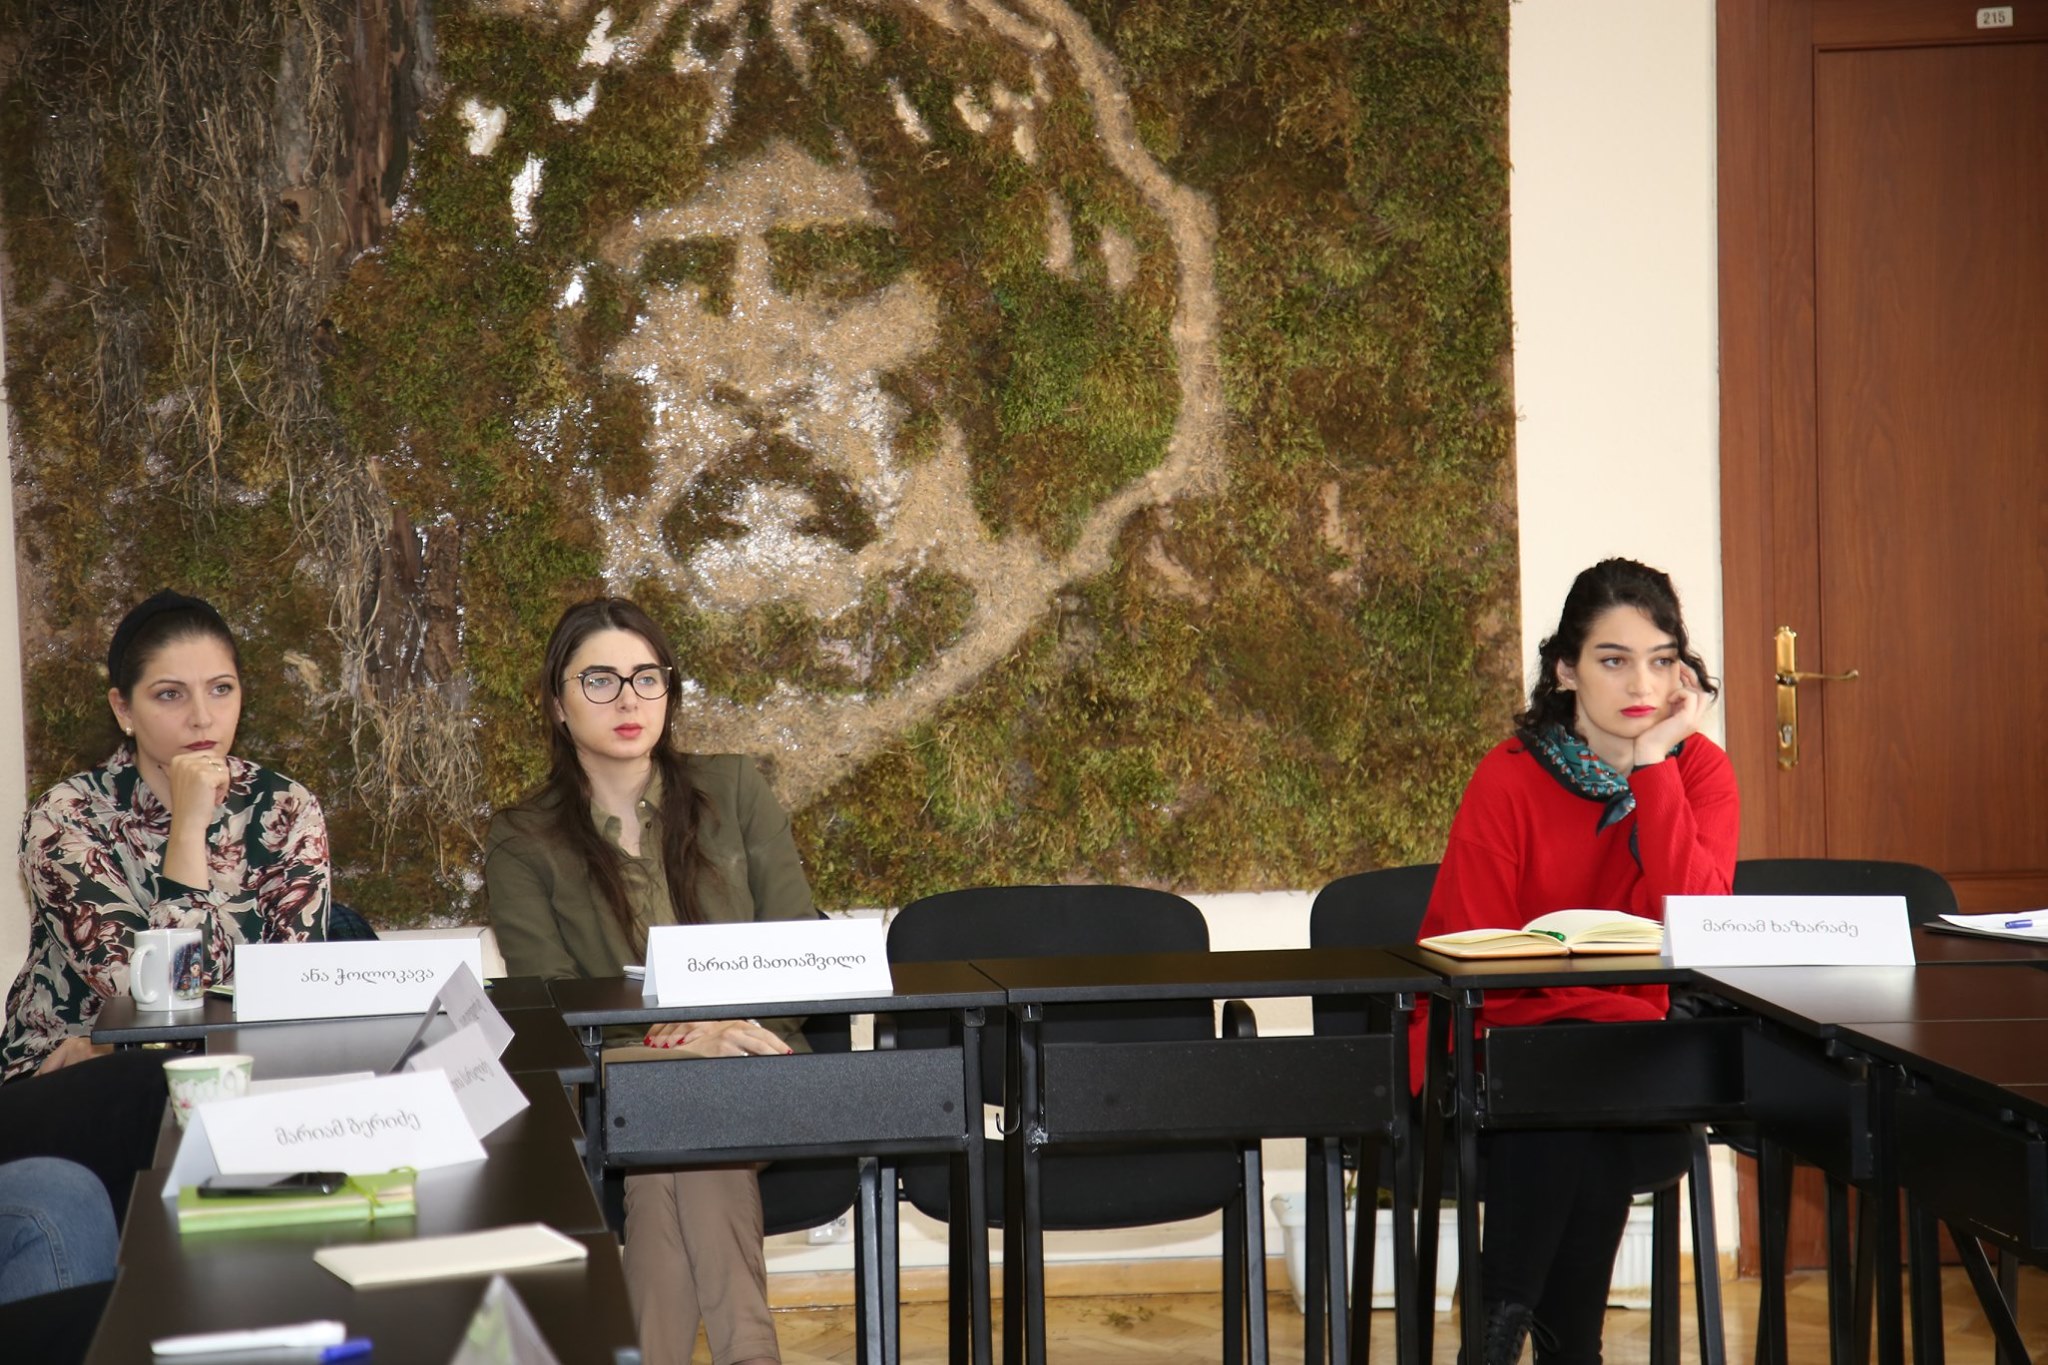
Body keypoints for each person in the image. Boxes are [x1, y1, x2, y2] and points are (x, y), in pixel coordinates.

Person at [1413, 558, 1739, 1364]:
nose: (1642, 683)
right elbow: (1479, 955)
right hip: (1500, 1046)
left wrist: (1655, 764)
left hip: (1633, 1057)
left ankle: (1496, 1323)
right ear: (1566, 669)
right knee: (1571, 1085)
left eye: (1662, 660)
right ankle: (1563, 1346)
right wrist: (1598, 1006)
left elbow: (1700, 922)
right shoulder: (1509, 775)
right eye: (1613, 659)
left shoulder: (1698, 772)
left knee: (1583, 1086)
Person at [486, 597, 819, 1365]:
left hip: (759, 1058)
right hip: (620, 1078)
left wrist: (719, 1033)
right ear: (557, 703)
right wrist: (682, 1047)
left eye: (647, 676)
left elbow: (797, 949)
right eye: (599, 680)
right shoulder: (523, 837)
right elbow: (550, 1001)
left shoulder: (735, 790)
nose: (629, 699)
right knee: (680, 1121)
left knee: (676, 1134)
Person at [1, 591, 332, 1084]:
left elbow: (293, 992)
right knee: (146, 1079)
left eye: (221, 689)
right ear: (124, 708)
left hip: (238, 1069)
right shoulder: (65, 817)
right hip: (82, 1078)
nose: (202, 716)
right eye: (170, 694)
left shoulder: (286, 806)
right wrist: (189, 828)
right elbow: (159, 1004)